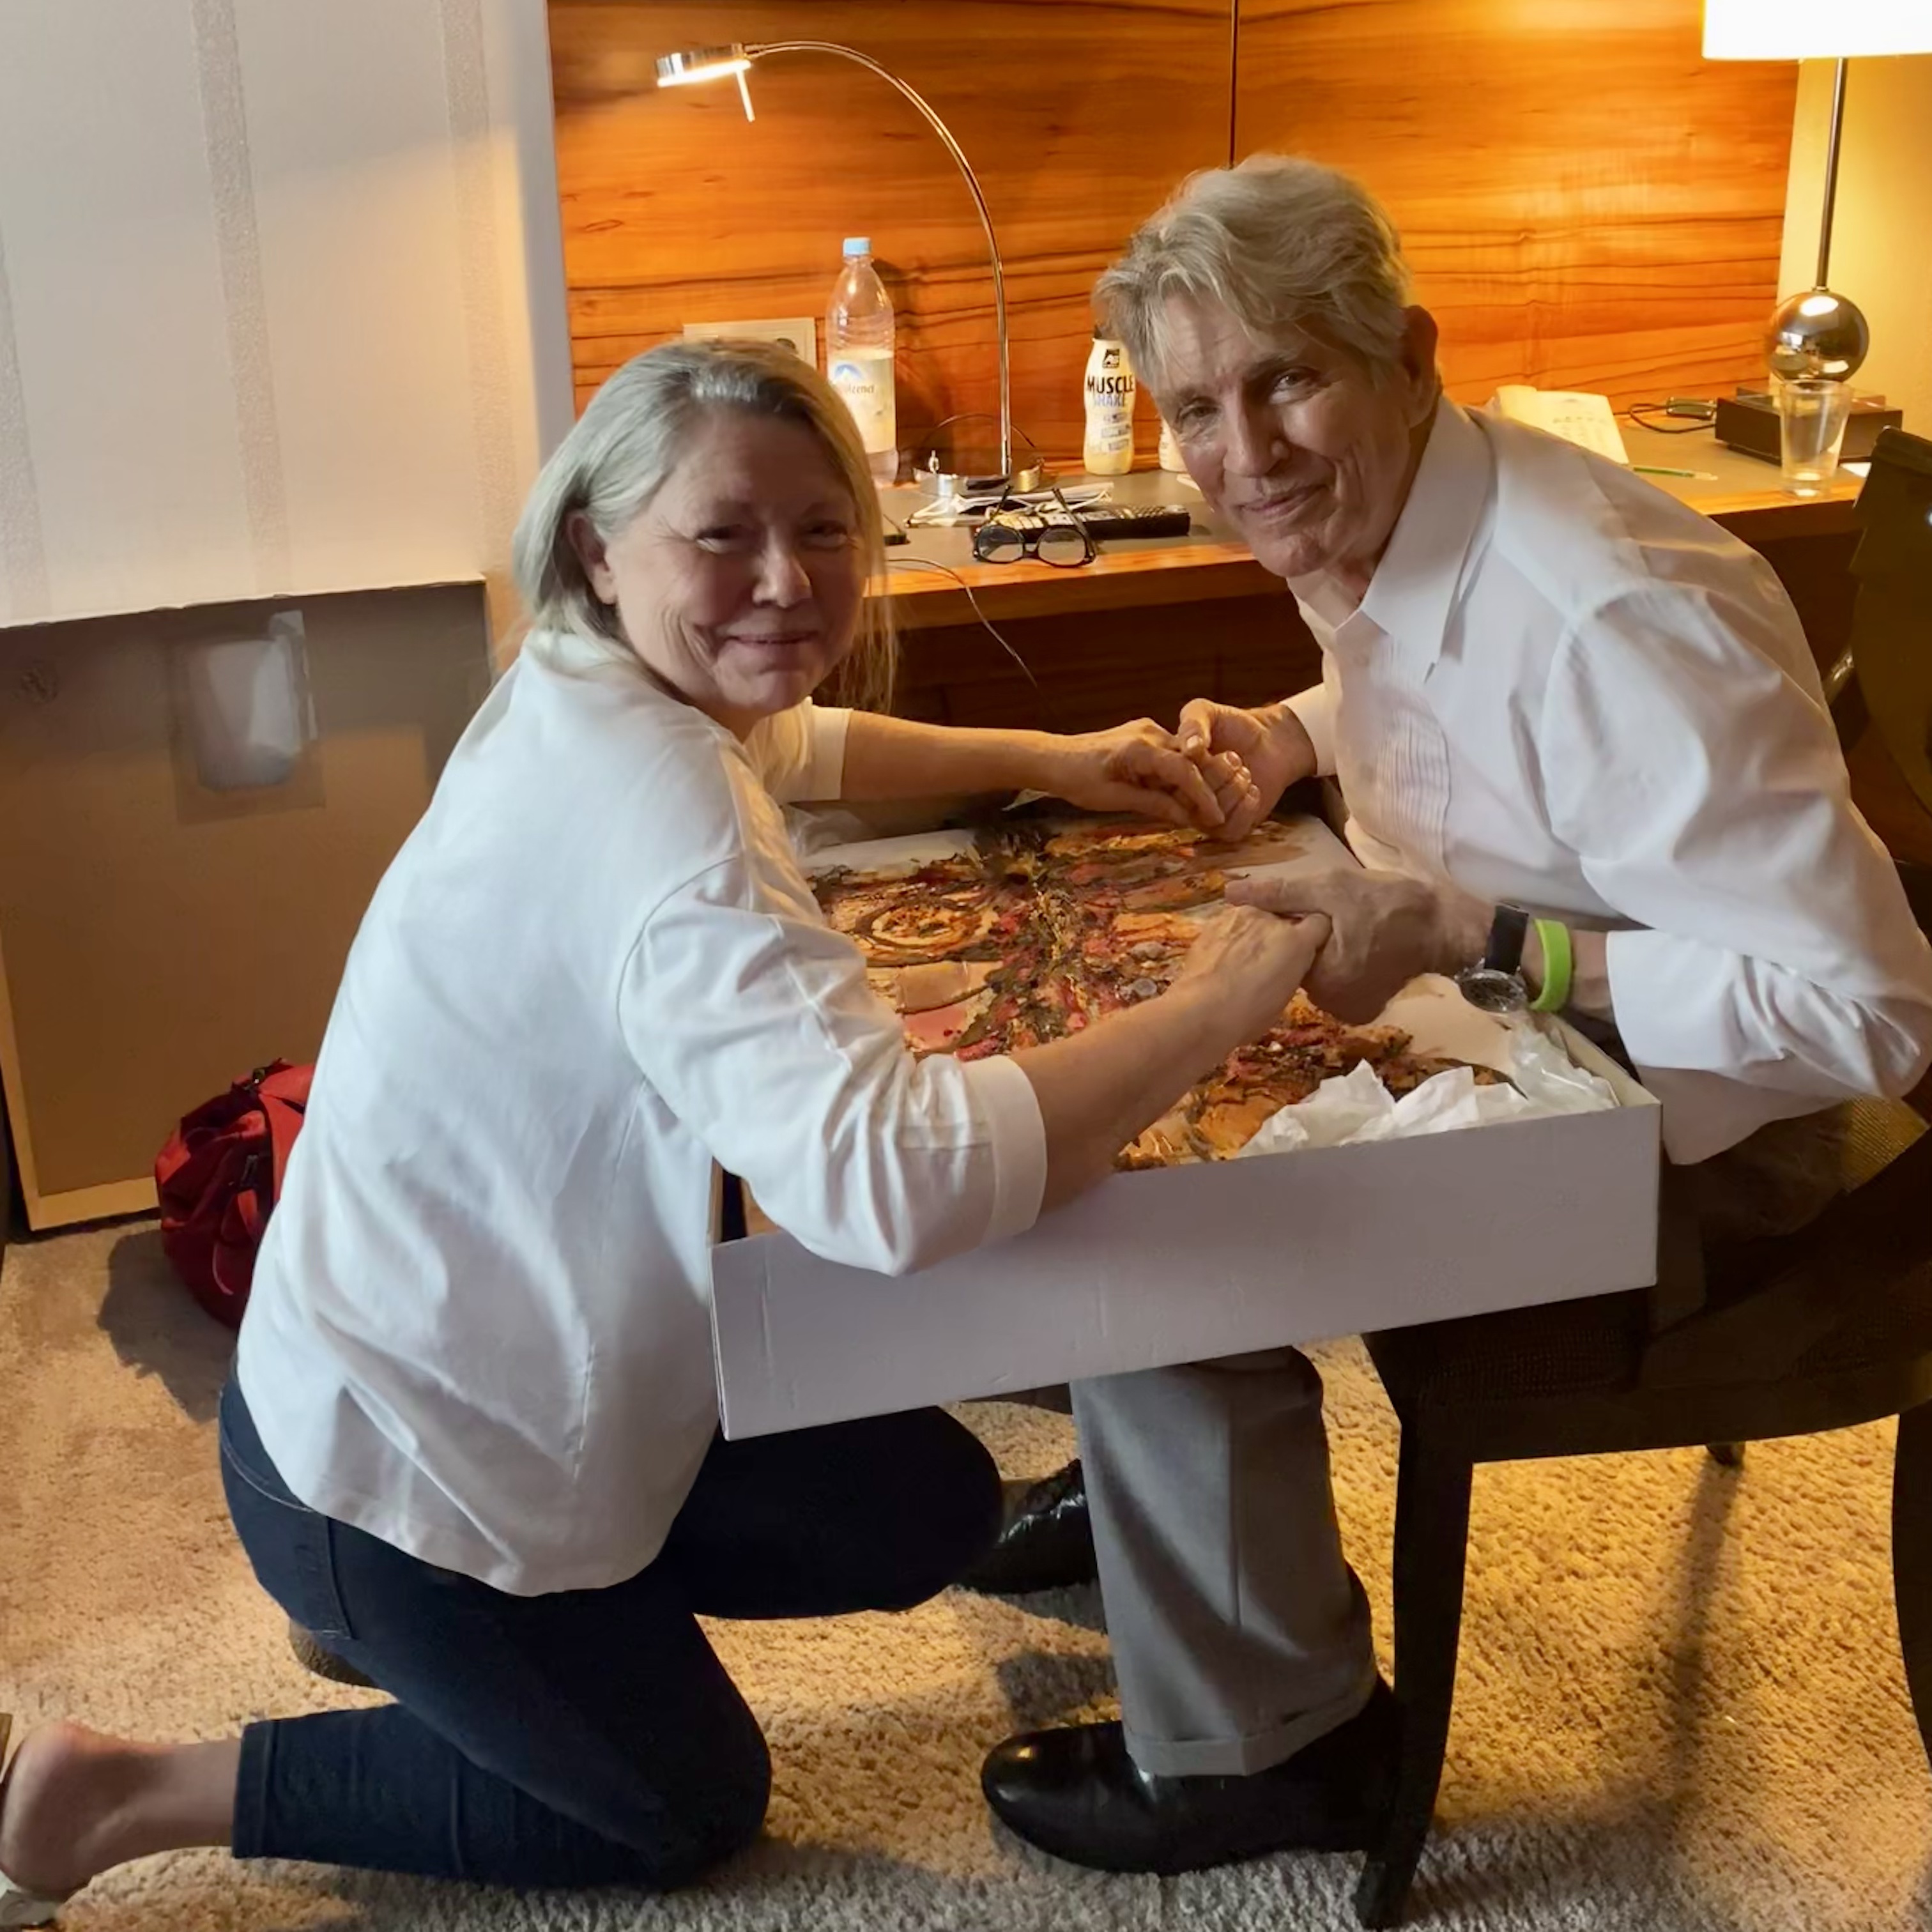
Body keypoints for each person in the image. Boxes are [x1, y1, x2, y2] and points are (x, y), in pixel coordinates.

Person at [0, 339, 1331, 1919]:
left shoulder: (589, 678)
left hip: (390, 1359)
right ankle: (127, 1789)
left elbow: (804, 741)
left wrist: (1054, 763)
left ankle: (467, 1645)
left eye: (825, 529)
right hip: (398, 1473)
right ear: (598, 546)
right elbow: (891, 1183)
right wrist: (1215, 1004)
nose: (788, 579)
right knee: (676, 1810)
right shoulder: (670, 837)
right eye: (723, 534)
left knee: (921, 1507)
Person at [975, 155, 1932, 1874]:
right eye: (1197, 408)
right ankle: (1159, 1489)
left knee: (1134, 1219)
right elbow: (1425, 675)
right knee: (1085, 1044)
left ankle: (1278, 1747)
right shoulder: (1415, 506)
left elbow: (1867, 1017)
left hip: (1705, 1154)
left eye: (1287, 380)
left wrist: (1482, 938)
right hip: (1507, 1029)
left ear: (1407, 358)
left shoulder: (1616, 617)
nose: (1244, 453)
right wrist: (1292, 732)